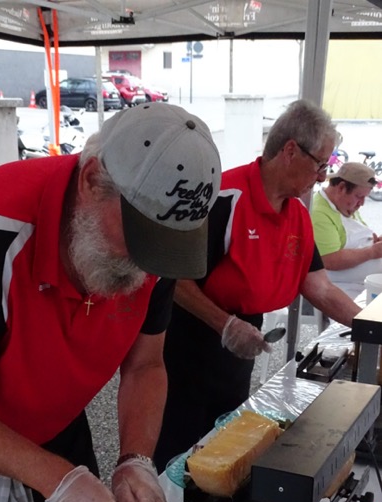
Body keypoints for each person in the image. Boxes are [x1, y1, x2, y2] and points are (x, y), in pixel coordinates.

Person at [0, 102, 221, 502]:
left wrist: (136, 459)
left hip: (57, 425)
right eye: (138, 238)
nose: (144, 269)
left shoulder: (154, 250)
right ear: (90, 180)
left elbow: (146, 364)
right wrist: (58, 481)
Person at [153, 99, 363, 474]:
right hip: (190, 344)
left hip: (242, 342)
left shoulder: (297, 213)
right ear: (289, 151)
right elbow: (174, 279)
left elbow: (320, 288)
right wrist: (225, 325)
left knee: (224, 448)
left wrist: (371, 328)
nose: (321, 176)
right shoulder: (224, 198)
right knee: (179, 456)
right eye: (320, 164)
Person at [311, 162, 382, 300]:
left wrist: (374, 243)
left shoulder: (343, 204)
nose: (361, 203)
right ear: (341, 187)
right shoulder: (318, 212)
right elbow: (329, 260)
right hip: (343, 284)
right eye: (359, 196)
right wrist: (373, 251)